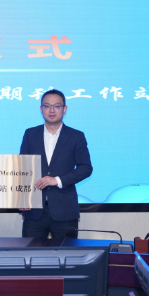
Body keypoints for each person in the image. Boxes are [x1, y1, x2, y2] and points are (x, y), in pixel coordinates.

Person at [19, 89, 92, 239]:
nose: (52, 110)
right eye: (47, 106)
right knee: (30, 252)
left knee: (67, 252)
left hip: (65, 211)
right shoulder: (30, 134)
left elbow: (86, 168)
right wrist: (21, 198)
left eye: (57, 106)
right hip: (34, 211)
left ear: (64, 109)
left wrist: (57, 180)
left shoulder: (76, 136)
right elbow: (22, 168)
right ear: (41, 109)